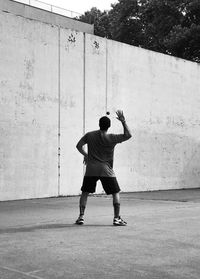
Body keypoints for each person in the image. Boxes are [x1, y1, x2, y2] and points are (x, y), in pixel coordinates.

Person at [75, 110, 132, 226]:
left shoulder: (90, 135)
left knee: (85, 192)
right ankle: (117, 218)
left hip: (91, 169)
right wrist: (123, 121)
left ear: (99, 124)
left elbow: (78, 146)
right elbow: (128, 135)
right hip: (106, 170)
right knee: (115, 193)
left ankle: (81, 217)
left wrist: (87, 155)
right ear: (109, 126)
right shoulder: (112, 138)